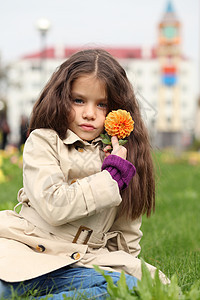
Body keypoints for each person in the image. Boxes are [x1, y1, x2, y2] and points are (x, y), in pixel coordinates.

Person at [0, 49, 169, 299]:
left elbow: (126, 234)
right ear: (60, 99)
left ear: (117, 111)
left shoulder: (121, 158)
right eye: (79, 100)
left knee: (134, 288)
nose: (89, 113)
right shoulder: (44, 141)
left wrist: (128, 268)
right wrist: (109, 178)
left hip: (80, 265)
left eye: (102, 104)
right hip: (30, 251)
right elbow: (54, 205)